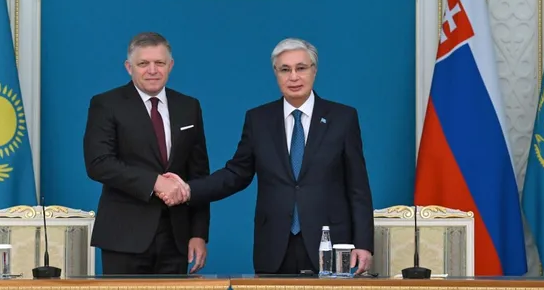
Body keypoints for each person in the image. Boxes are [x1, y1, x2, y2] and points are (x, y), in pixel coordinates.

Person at [160, 38, 374, 275]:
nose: (293, 77)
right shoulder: (258, 119)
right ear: (276, 73)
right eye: (285, 69)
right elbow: (235, 174)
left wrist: (363, 243)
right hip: (274, 244)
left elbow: (358, 187)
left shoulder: (342, 118)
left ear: (314, 70)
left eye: (301, 68)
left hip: (330, 243)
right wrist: (188, 189)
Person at [83, 32, 210, 275]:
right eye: (143, 63)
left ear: (170, 65)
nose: (152, 70)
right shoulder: (106, 104)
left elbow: (199, 174)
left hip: (176, 238)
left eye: (159, 63)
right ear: (129, 67)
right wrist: (155, 182)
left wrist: (198, 234)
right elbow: (99, 163)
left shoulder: (189, 106)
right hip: (124, 237)